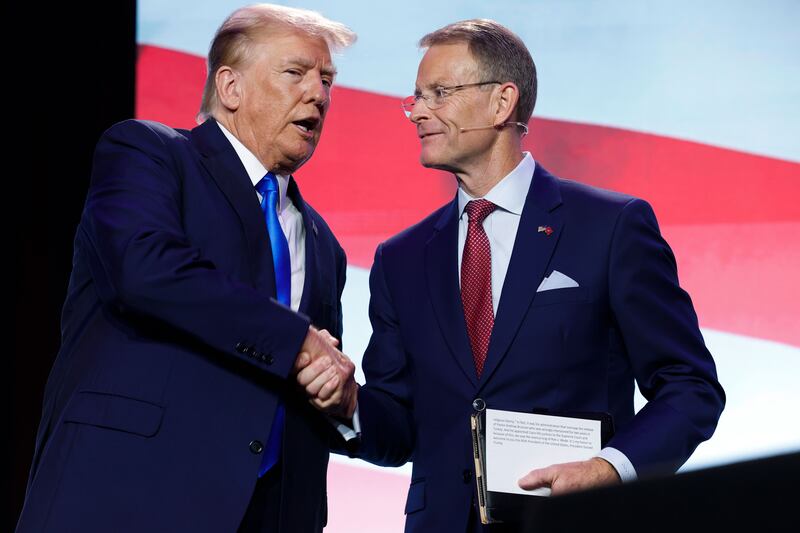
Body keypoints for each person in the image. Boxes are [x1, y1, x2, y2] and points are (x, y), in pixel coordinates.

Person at [296, 19, 725, 533]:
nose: (419, 112)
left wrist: (610, 468)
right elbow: (402, 428)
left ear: (503, 103)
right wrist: (347, 404)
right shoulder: (401, 259)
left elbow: (690, 386)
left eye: (440, 93)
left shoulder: (609, 227)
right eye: (416, 97)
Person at [17, 4, 357, 532]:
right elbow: (145, 269)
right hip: (126, 499)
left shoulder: (324, 245)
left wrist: (339, 393)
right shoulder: (147, 152)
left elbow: (310, 385)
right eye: (296, 72)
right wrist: (296, 340)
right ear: (231, 87)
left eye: (327, 79)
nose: (318, 93)